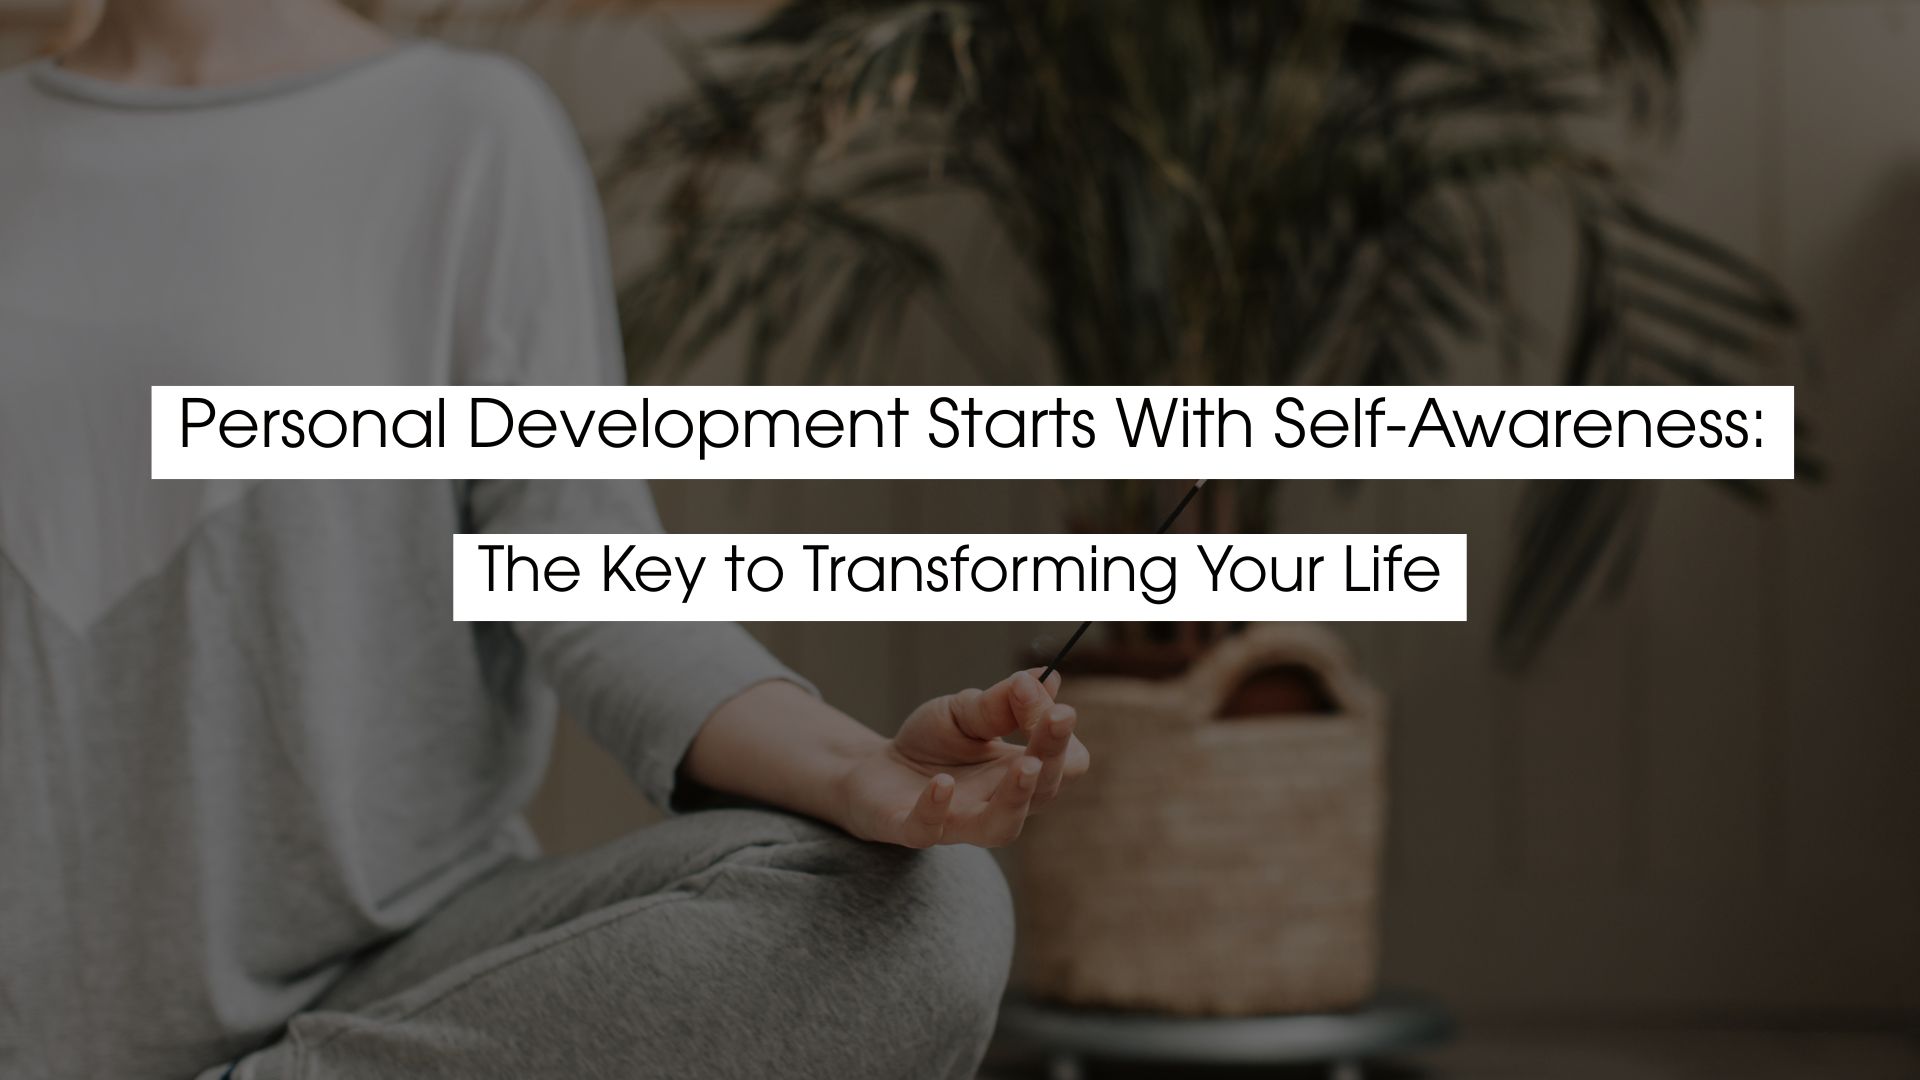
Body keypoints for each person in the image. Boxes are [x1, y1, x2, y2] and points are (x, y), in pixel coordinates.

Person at [0, 2, 1091, 1077]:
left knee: (923, 914)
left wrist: (866, 771)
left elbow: (578, 559)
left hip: (410, 982)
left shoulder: (465, 132)